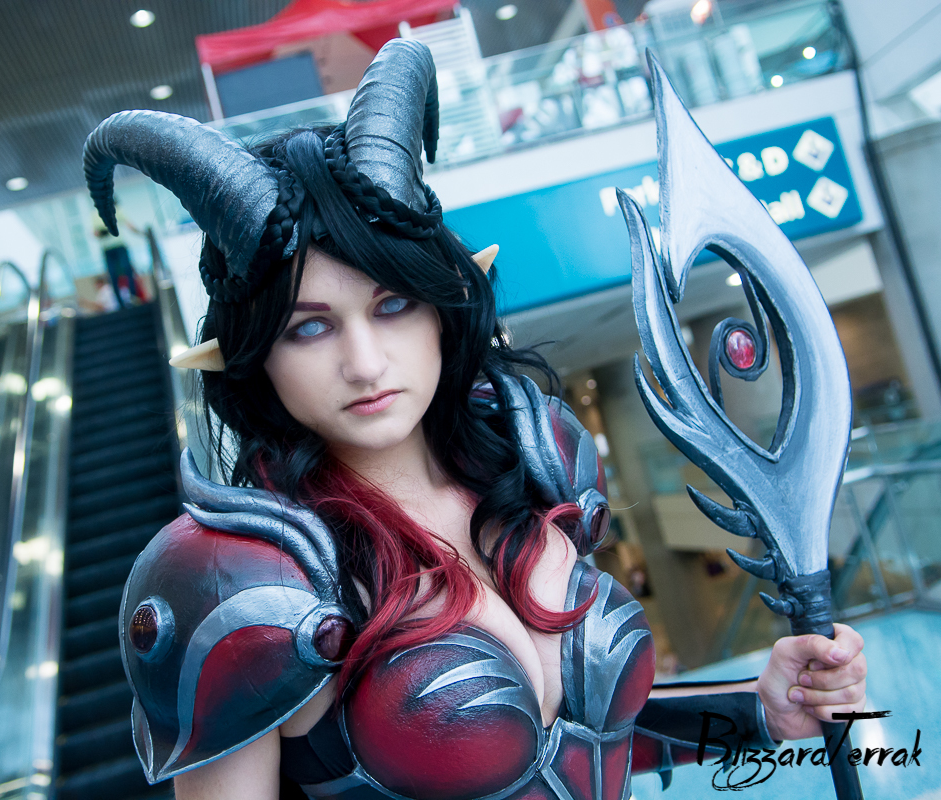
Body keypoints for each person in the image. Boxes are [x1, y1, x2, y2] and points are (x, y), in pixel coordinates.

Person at [84, 40, 866, 800]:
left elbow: (581, 741)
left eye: (393, 305)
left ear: (441, 310)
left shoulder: (533, 468)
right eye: (309, 326)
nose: (365, 363)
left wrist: (759, 713)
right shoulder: (240, 581)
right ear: (255, 356)